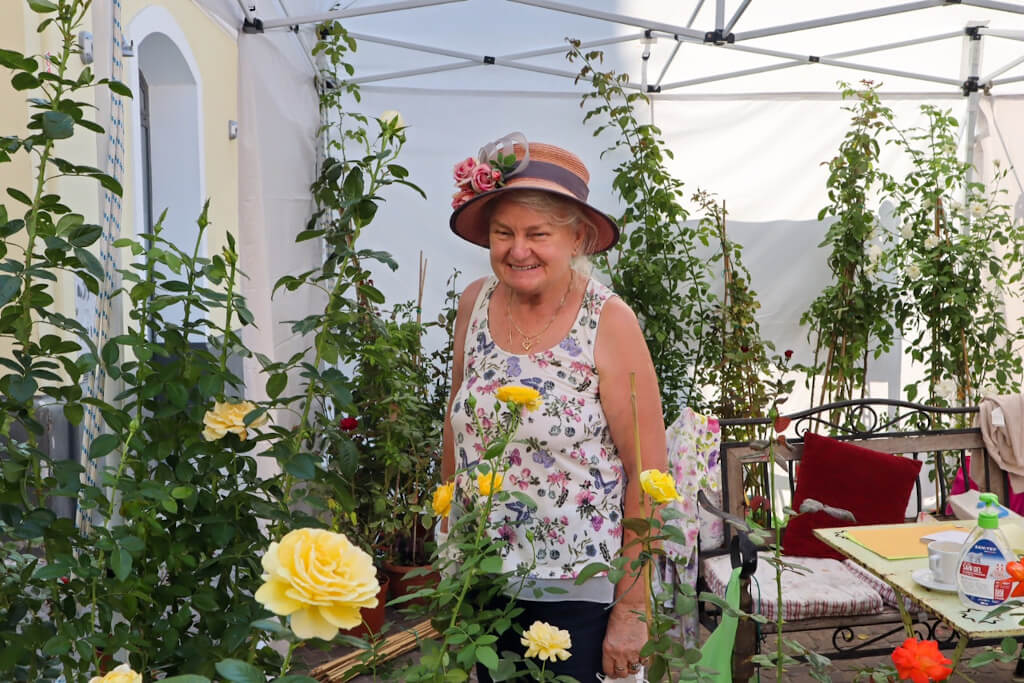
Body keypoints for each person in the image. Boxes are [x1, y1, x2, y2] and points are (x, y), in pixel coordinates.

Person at [441, 133, 668, 682]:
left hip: (579, 587)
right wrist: (444, 561)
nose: (518, 250)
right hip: (481, 576)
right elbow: (454, 432)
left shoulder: (607, 320)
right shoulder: (474, 303)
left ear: (577, 238)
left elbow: (649, 473)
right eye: (504, 233)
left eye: (537, 234)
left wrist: (633, 609)